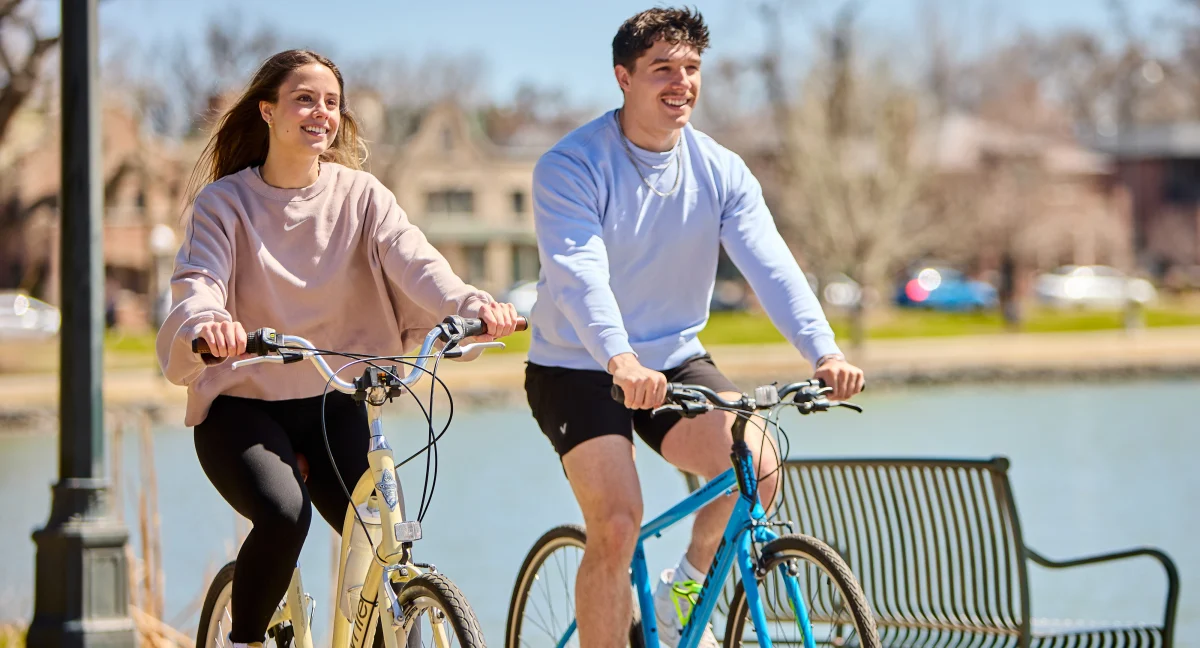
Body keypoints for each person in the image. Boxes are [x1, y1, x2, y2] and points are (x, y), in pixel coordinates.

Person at [155, 49, 520, 648]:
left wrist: (471, 306)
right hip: (243, 403)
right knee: (283, 515)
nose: (321, 112)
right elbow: (199, 283)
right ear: (267, 111)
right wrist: (210, 324)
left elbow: (418, 261)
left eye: (331, 102)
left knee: (380, 542)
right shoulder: (224, 205)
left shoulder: (363, 196)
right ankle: (243, 639)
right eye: (305, 99)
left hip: (334, 398)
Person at [523, 9, 865, 648]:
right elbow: (578, 277)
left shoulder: (722, 170)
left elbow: (772, 266)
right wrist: (620, 360)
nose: (681, 83)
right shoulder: (570, 166)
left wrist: (824, 350)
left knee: (756, 466)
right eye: (662, 70)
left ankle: (682, 594)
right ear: (623, 78)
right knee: (619, 524)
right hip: (578, 365)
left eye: (691, 68)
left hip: (675, 356)